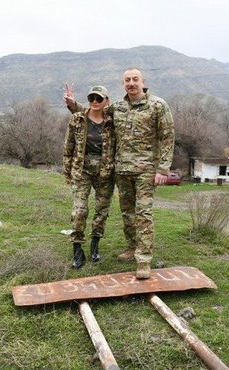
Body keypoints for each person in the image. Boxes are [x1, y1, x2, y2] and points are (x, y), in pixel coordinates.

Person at [64, 68, 174, 279]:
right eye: (127, 80)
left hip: (145, 170)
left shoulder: (158, 105)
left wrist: (163, 168)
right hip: (121, 170)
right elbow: (94, 113)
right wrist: (73, 105)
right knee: (127, 214)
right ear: (123, 84)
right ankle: (133, 247)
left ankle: (143, 260)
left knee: (143, 213)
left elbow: (167, 137)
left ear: (143, 82)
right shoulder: (118, 107)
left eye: (135, 79)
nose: (131, 83)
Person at [63, 85, 115, 268]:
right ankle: (77, 250)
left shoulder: (112, 121)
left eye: (99, 98)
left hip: (105, 172)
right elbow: (68, 146)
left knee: (101, 212)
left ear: (106, 101)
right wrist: (67, 170)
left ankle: (95, 245)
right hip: (82, 170)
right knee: (79, 211)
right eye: (91, 97)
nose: (94, 101)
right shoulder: (77, 119)